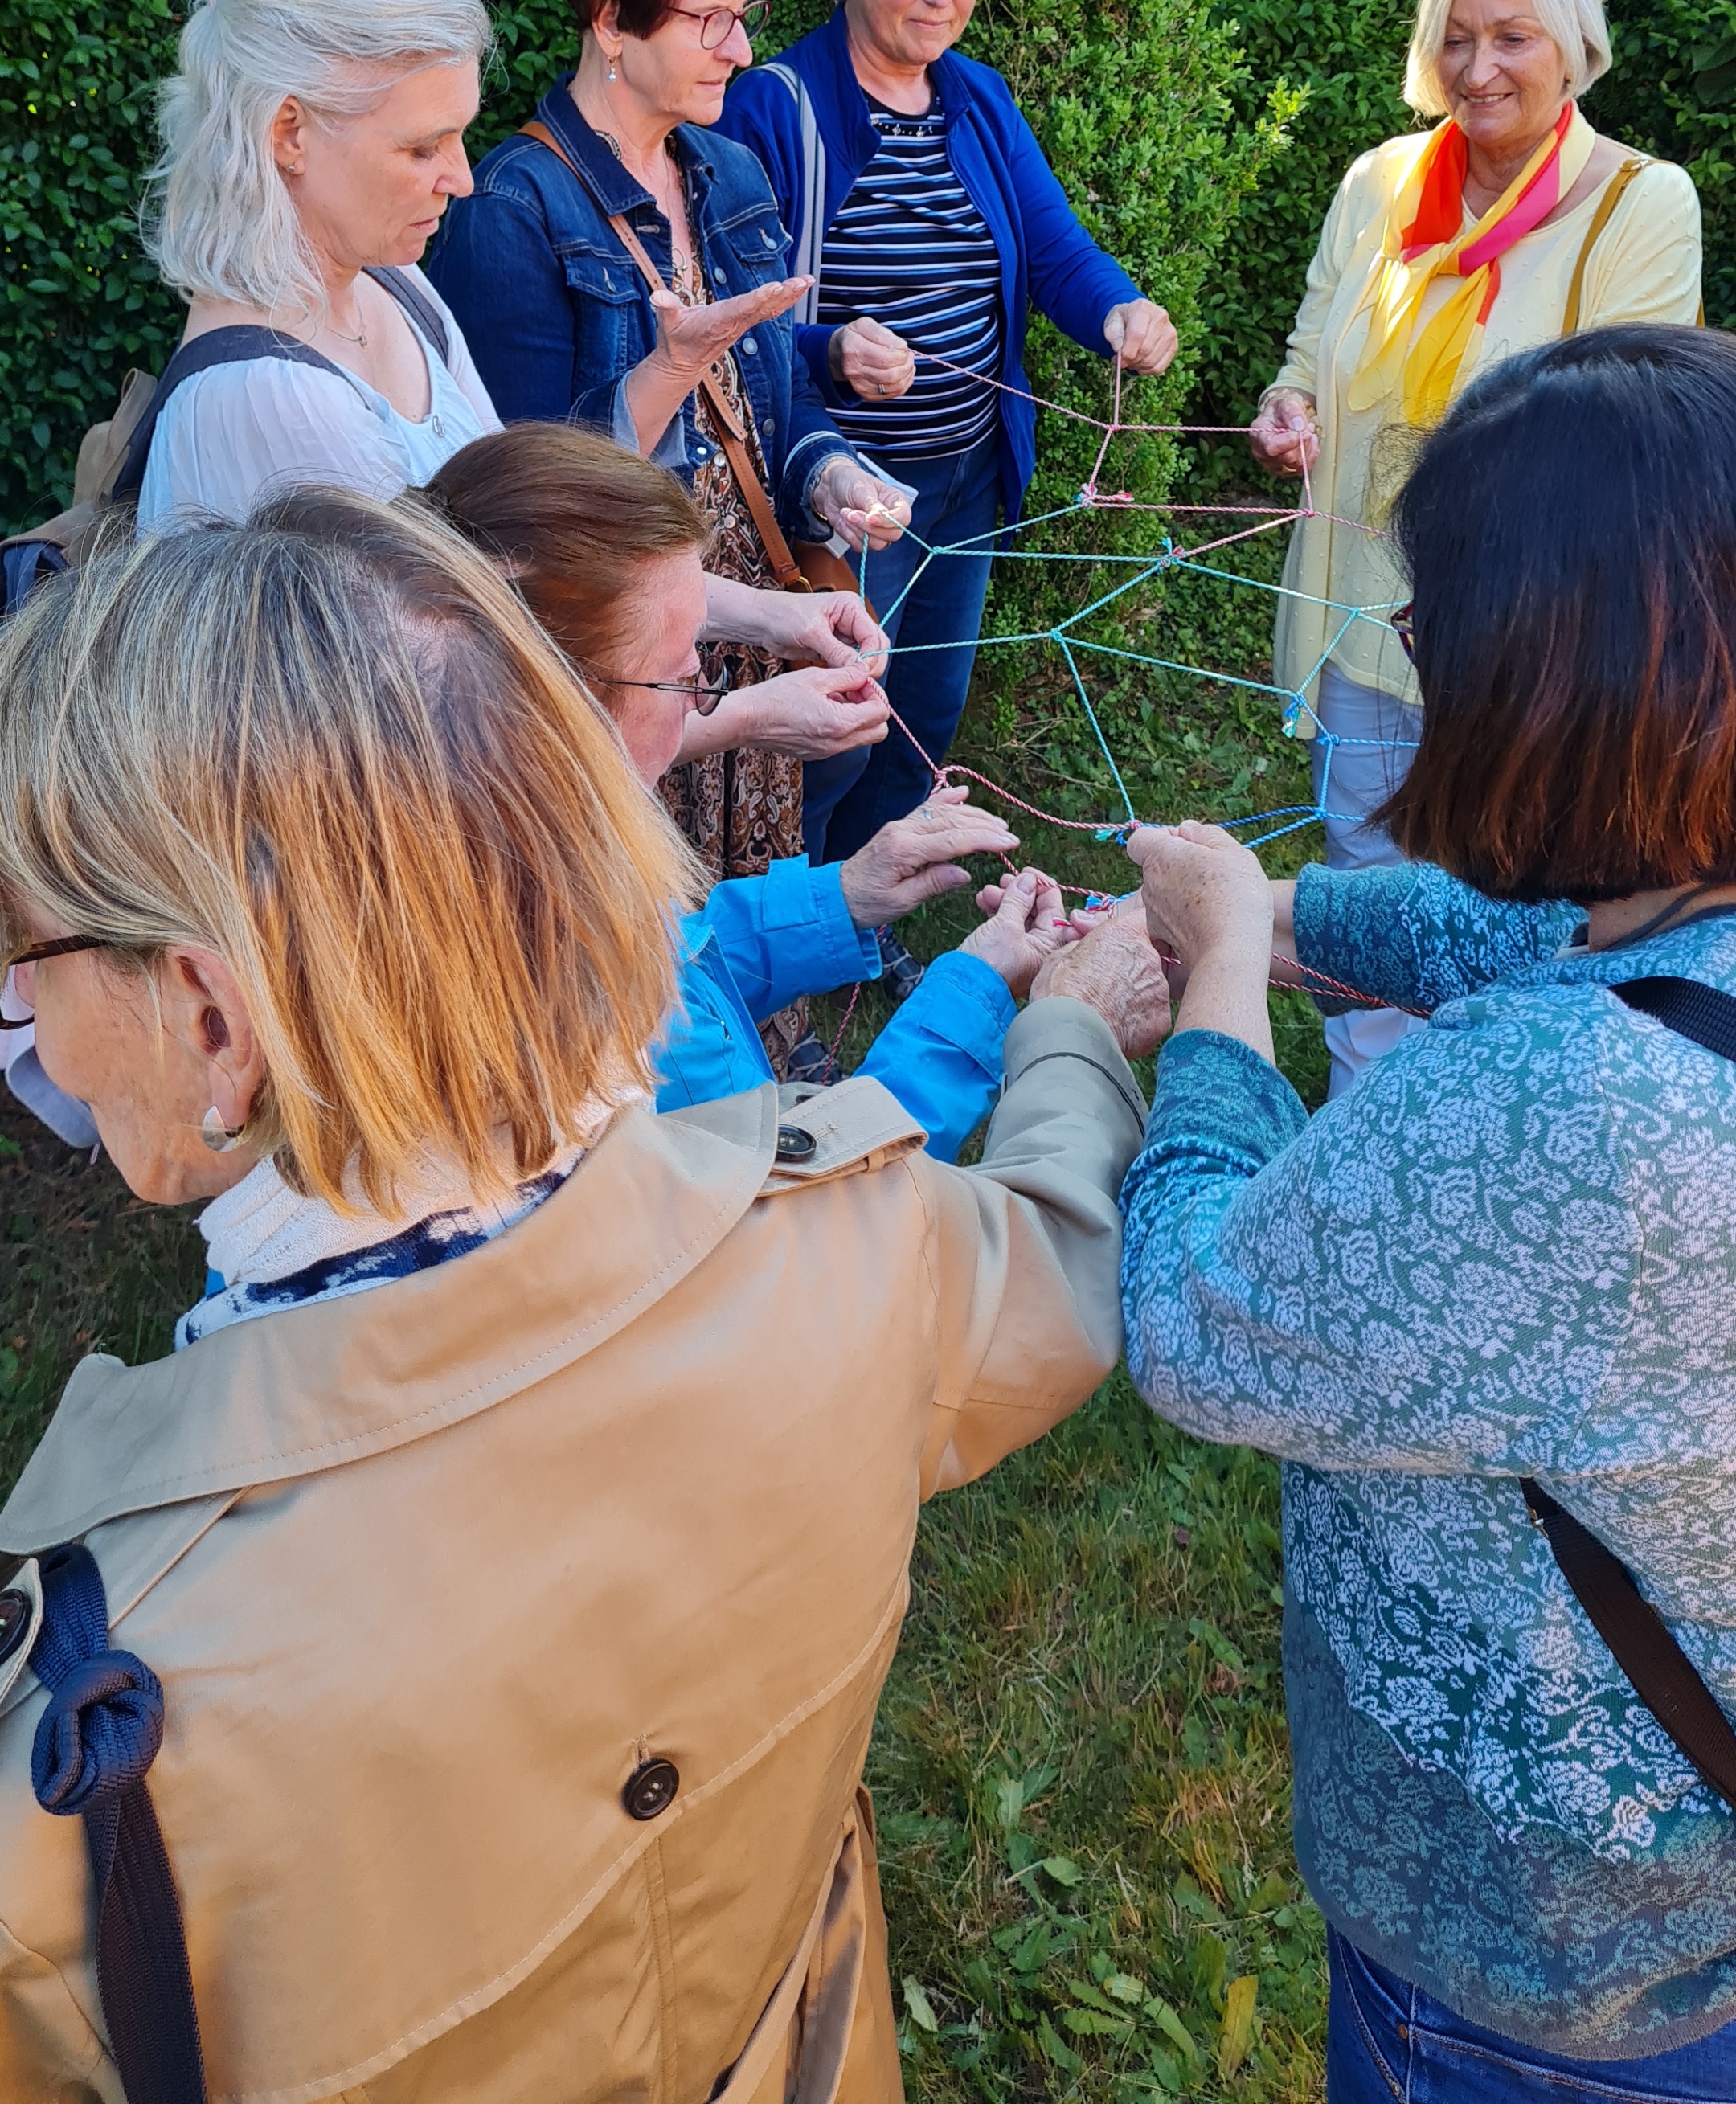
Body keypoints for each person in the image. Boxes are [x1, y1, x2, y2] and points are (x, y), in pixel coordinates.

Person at [0, 489, 1165, 2102]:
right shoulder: (860, 1245)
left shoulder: (72, 1743)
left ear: (215, 1019)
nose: (24, 1012)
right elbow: (1058, 1251)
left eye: (27, 943)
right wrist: (1075, 1028)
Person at [1124, 323, 1736, 2097]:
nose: (1412, 652)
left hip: (1552, 1967)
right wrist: (1280, 916)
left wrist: (1218, 977)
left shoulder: (1565, 1113)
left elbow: (1197, 1320)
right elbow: (1548, 938)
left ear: (1559, 680)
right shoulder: (1680, 929)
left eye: (1430, 625)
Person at [1247, 0, 1701, 1095]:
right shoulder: (1378, 184)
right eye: (1455, 37)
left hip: (1529, 645)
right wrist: (1291, 405)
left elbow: (1628, 441)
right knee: (1359, 894)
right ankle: (1366, 1131)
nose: (1478, 67)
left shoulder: (1639, 204)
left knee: (1519, 909)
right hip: (1364, 616)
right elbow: (1311, 348)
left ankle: (1491, 1128)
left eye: (1512, 37)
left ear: (1573, 47)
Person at [428, 0, 907, 924]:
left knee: (758, 919)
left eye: (745, 15)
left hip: (752, 628)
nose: (742, 49)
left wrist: (827, 473)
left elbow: (776, 396)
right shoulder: (511, 213)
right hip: (625, 671)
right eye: (711, 21)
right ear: (612, 20)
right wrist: (669, 369)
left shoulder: (728, 173)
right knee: (644, 942)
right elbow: (519, 522)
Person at [720, 0, 1179, 883]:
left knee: (923, 718)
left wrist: (1119, 310)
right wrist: (830, 349)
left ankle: (870, 911)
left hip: (964, 483)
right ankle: (795, 918)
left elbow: (1056, 251)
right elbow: (732, 323)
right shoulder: (776, 107)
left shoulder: (979, 99)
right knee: (835, 733)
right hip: (845, 499)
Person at [425, 421, 1076, 1144]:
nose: (707, 697)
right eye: (683, 671)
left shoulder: (519, 860)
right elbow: (818, 1199)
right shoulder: (585, 1004)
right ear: (559, 706)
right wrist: (981, 992)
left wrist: (842, 897)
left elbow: (678, 961)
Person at [135, 0, 505, 520]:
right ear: (290, 133)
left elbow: (519, 512)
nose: (462, 180)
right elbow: (504, 564)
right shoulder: (267, 398)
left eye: (459, 136)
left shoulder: (393, 281)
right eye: (422, 148)